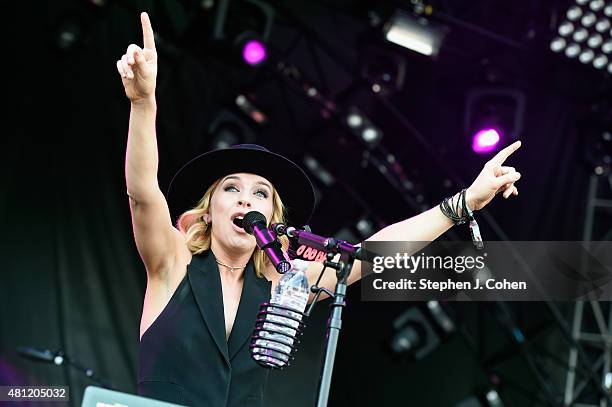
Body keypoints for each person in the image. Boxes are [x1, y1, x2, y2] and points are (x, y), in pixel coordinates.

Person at [116, 12, 522, 407]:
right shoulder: (173, 261)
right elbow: (142, 192)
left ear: (273, 221)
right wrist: (143, 102)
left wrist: (464, 202)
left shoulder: (282, 286)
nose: (246, 199)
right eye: (231, 188)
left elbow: (371, 255)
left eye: (261, 194)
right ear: (208, 211)